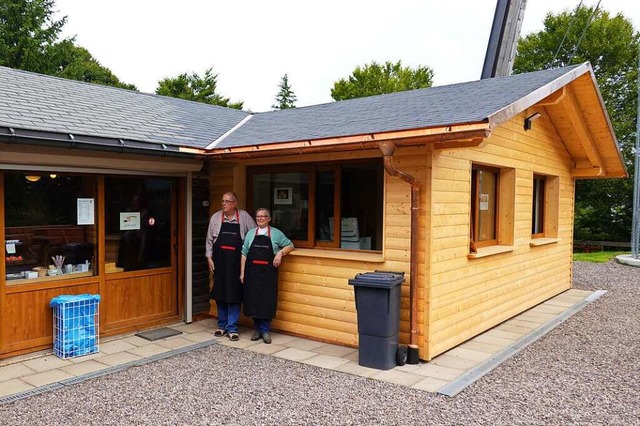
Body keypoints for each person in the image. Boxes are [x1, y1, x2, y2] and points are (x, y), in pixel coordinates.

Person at [205, 192, 256, 341]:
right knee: (220, 294)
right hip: (219, 263)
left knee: (234, 295)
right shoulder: (215, 218)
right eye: (222, 201)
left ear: (235, 203)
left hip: (236, 264)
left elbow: (253, 234)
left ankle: (232, 328)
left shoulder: (244, 217)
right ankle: (221, 326)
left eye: (227, 201)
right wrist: (209, 258)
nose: (224, 204)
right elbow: (209, 240)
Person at [240, 208, 294, 344]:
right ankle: (257, 329)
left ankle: (265, 330)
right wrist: (242, 272)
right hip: (252, 274)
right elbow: (244, 253)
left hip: (268, 275)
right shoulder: (251, 234)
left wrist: (280, 253)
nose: (260, 218)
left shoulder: (276, 233)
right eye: (258, 216)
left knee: (266, 301)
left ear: (269, 219)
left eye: (264, 216)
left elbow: (290, 245)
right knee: (253, 301)